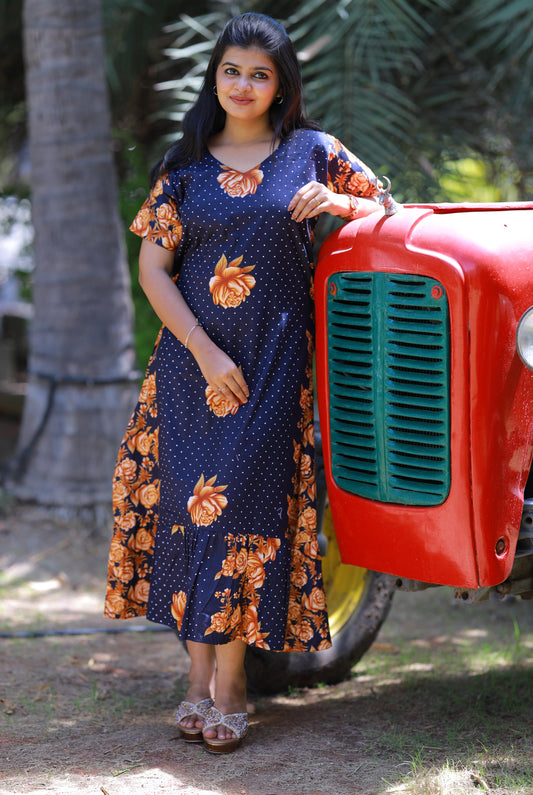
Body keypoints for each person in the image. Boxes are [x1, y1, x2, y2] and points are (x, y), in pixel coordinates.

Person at [105, 11, 388, 753]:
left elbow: (387, 209)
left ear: (280, 85)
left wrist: (339, 202)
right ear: (216, 77)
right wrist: (202, 352)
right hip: (193, 371)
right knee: (193, 517)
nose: (242, 84)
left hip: (272, 370)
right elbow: (153, 270)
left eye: (258, 74)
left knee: (245, 522)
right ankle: (197, 683)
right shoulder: (186, 164)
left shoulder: (312, 153)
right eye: (231, 70)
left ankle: (232, 688)